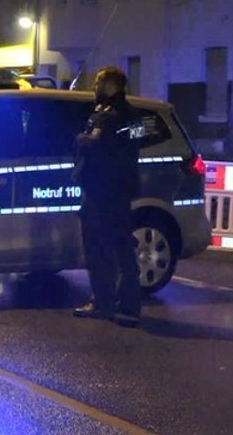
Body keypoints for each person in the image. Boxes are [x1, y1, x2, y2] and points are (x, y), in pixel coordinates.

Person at [72, 67, 143, 327]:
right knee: (122, 247)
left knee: (99, 249)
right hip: (120, 191)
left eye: (98, 82)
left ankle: (102, 302)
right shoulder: (133, 116)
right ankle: (129, 304)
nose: (94, 87)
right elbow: (133, 146)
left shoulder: (109, 116)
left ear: (112, 86)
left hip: (102, 191)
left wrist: (80, 139)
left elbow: (94, 144)